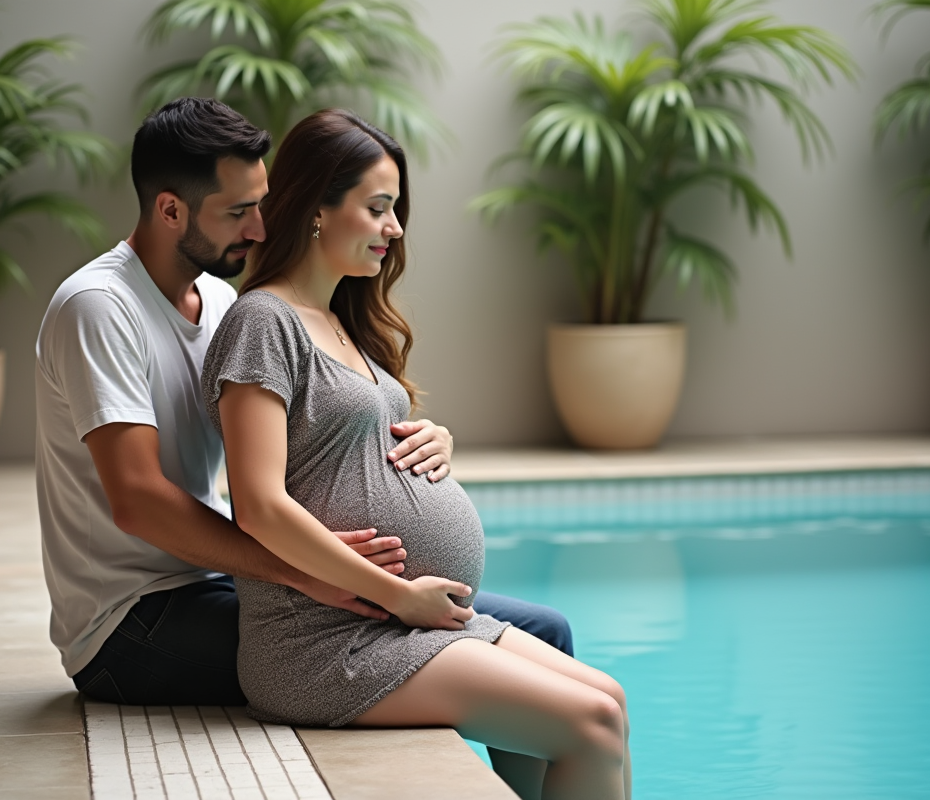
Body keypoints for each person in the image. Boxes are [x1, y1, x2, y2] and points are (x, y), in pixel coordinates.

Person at [33, 97, 572, 712]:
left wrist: (422, 442)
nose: (261, 228)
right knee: (415, 645)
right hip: (135, 621)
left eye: (259, 206)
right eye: (238, 212)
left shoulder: (217, 301)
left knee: (541, 630)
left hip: (227, 579)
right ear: (170, 209)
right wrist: (304, 573)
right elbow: (138, 501)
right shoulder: (99, 306)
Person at [204, 109, 631, 800]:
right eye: (378, 208)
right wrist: (400, 596)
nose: (394, 229)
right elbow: (258, 505)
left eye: (395, 210)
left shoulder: (344, 322)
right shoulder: (264, 322)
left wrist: (429, 436)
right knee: (593, 721)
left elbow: (340, 441)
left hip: (395, 620)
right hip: (326, 640)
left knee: (608, 697)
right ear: (317, 209)